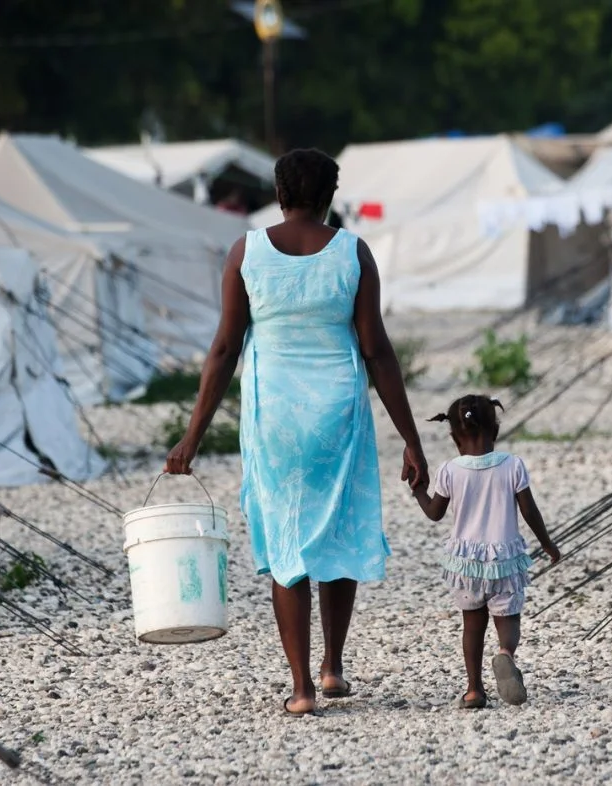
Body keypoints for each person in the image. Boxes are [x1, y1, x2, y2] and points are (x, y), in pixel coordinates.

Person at [164, 148, 428, 717]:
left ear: (279, 193)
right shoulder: (353, 252)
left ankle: (302, 688)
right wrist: (411, 437)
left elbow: (224, 349)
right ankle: (334, 665)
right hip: (339, 413)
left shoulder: (247, 253)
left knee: (289, 544)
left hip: (275, 418)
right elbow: (376, 350)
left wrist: (192, 438)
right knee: (336, 535)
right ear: (330, 197)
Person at [412, 395, 561, 709]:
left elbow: (435, 513)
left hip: (466, 564)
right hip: (504, 561)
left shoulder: (450, 470)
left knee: (472, 625)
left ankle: (474, 689)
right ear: (495, 430)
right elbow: (530, 511)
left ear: (454, 437)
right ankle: (505, 654)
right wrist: (546, 543)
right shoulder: (512, 465)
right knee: (508, 618)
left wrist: (418, 491)